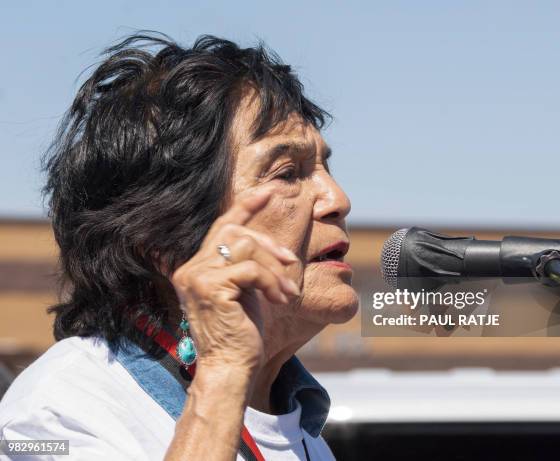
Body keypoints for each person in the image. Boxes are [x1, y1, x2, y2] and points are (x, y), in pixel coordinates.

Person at [0, 32, 358, 460]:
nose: (337, 200)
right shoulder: (53, 416)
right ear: (165, 239)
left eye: (323, 166)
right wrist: (223, 370)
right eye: (286, 173)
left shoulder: (303, 430)